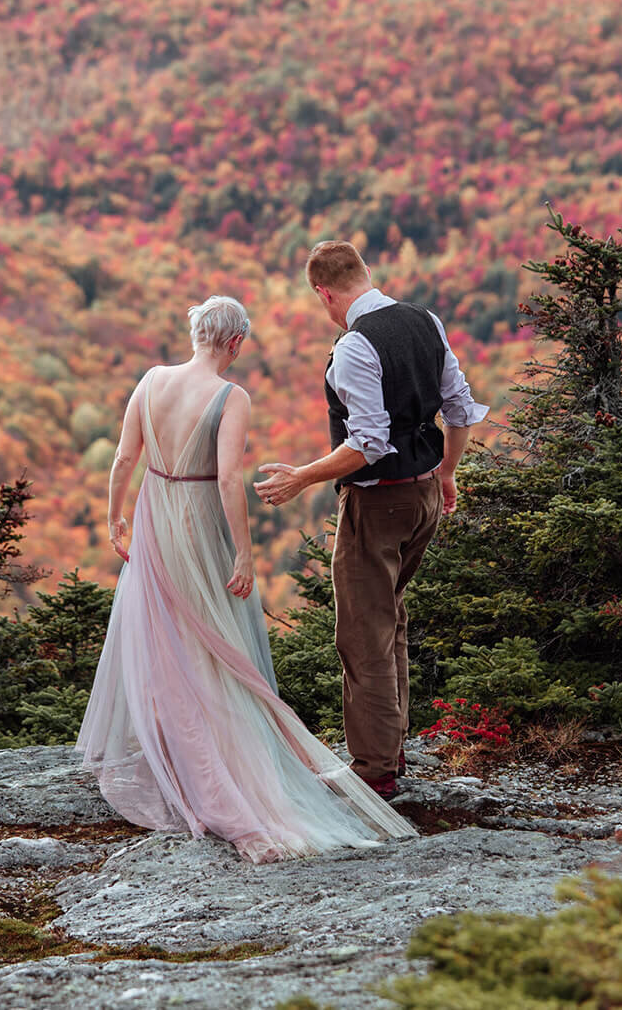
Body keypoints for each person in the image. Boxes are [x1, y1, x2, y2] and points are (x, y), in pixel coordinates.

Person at [76, 295, 418, 863]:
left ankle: (172, 752)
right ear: (235, 343)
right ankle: (221, 763)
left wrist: (116, 515)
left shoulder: (152, 379)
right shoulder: (232, 397)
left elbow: (122, 457)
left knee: (168, 635)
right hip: (200, 523)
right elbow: (228, 480)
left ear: (197, 334)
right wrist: (243, 554)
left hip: (155, 511)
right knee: (217, 642)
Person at [255, 242, 488, 799]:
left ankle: (374, 771)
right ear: (365, 274)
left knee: (363, 632)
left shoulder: (355, 346)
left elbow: (369, 444)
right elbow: (458, 407)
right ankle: (392, 747)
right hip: (426, 493)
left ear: (325, 292)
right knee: (390, 617)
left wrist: (301, 477)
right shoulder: (423, 320)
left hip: (378, 502)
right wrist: (448, 473)